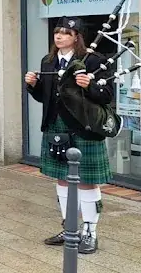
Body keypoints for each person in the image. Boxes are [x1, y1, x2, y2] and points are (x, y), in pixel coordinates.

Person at [24, 16, 112, 254]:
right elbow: (45, 96)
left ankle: (90, 232)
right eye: (56, 33)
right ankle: (69, 227)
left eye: (65, 33)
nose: (59, 36)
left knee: (86, 181)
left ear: (77, 37)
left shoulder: (94, 60)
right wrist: (33, 85)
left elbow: (107, 95)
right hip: (56, 127)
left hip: (83, 126)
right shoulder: (49, 60)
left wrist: (90, 86)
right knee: (62, 179)